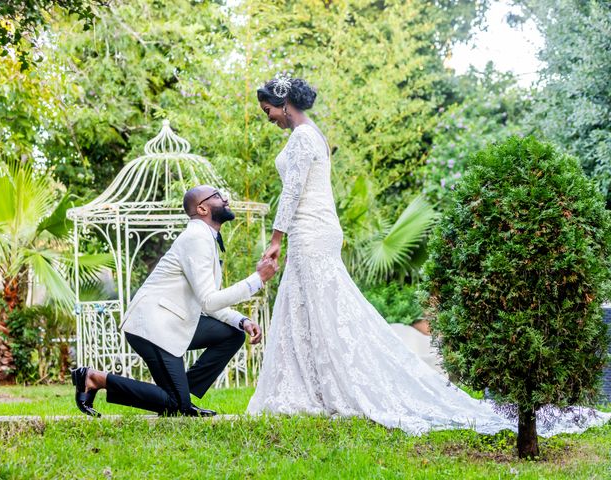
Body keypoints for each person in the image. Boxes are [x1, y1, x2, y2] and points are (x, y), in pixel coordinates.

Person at [246, 76, 611, 436]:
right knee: (317, 306)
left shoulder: (300, 137)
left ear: (283, 104)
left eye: (268, 111)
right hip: (320, 229)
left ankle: (324, 386)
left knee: (318, 306)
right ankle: (317, 385)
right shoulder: (316, 134)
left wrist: (277, 239)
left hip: (309, 231)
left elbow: (292, 191)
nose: (269, 118)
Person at [72, 185, 278, 417]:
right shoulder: (197, 237)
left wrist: (241, 321)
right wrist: (257, 279)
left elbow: (206, 300)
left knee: (233, 334)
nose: (226, 198)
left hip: (173, 323)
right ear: (202, 208)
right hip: (153, 326)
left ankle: (181, 393)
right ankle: (94, 378)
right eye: (219, 196)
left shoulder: (205, 237)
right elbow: (210, 302)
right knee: (173, 406)